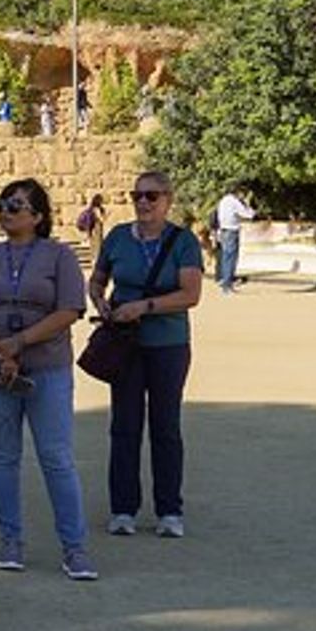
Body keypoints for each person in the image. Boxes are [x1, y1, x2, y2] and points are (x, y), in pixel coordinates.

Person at [0, 179, 96, 580]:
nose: (6, 211)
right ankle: (11, 540)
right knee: (4, 457)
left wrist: (18, 343)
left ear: (37, 216)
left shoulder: (59, 256)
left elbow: (70, 308)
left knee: (56, 457)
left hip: (46, 365)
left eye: (15, 206)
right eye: (2, 204)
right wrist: (0, 350)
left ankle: (75, 547)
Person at [89, 171, 205, 538]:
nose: (143, 202)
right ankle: (123, 508)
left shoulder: (183, 241)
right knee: (124, 425)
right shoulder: (118, 238)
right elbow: (97, 279)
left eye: (151, 196)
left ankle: (169, 509)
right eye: (137, 195)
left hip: (167, 343)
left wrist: (145, 307)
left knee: (165, 426)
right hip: (126, 343)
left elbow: (190, 294)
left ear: (168, 200)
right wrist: (100, 301)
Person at [212, 186, 255, 294]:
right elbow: (248, 214)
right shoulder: (235, 202)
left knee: (226, 257)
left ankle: (224, 280)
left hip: (223, 230)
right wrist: (247, 205)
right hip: (231, 231)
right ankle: (227, 284)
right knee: (231, 258)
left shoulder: (223, 200)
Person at [75, 194, 108, 261]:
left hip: (95, 230)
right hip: (95, 230)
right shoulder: (96, 210)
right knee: (96, 247)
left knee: (95, 247)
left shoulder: (95, 209)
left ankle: (95, 260)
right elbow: (100, 219)